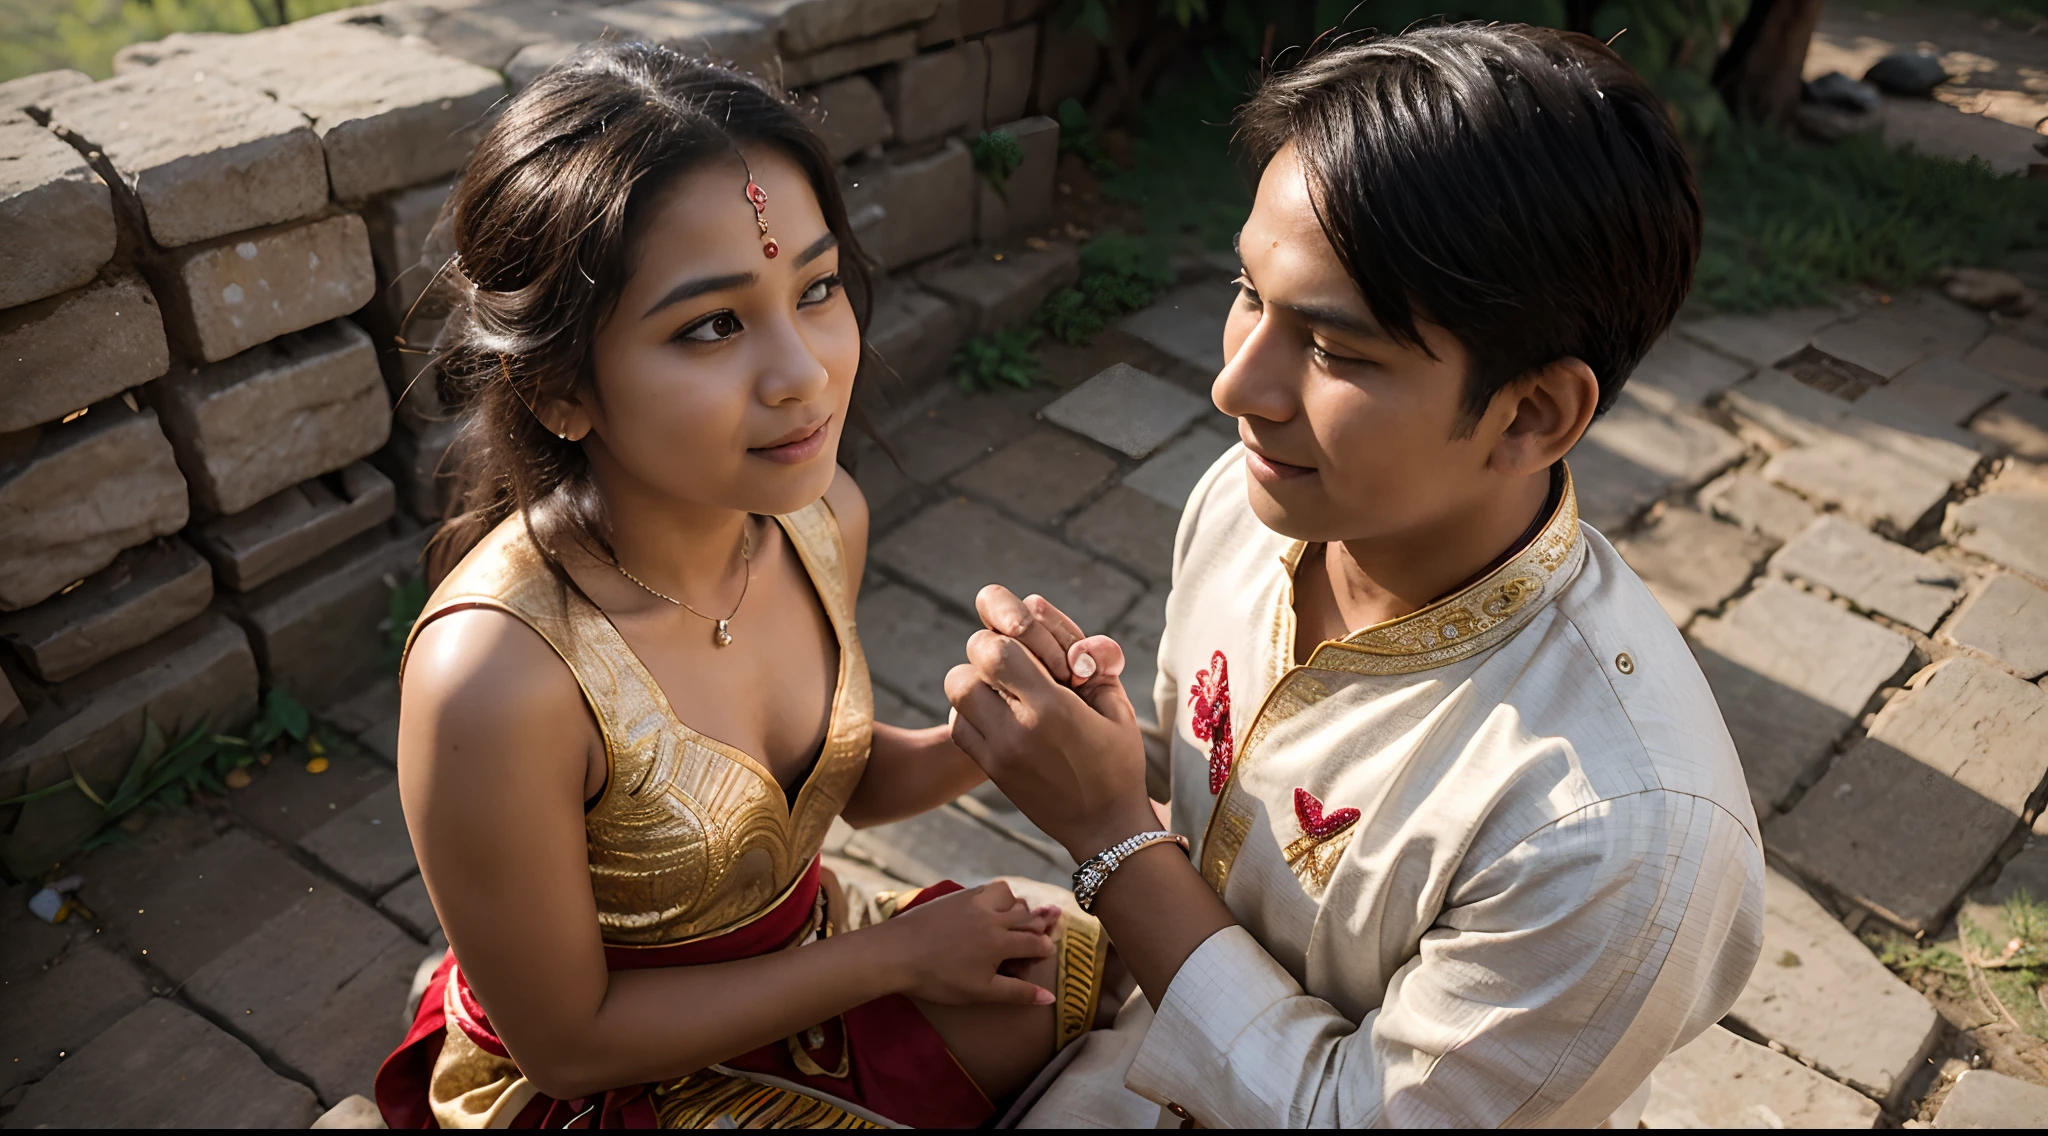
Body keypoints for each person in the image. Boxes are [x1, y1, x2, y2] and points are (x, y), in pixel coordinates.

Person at [944, 23, 1766, 1128]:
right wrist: (1095, 754)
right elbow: (1219, 819)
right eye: (1247, 293)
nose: (1236, 385)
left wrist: (1107, 834)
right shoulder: (1248, 511)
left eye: (1333, 351)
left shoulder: (1614, 834)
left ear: (1530, 413)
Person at [373, 44, 1107, 1129]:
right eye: (711, 324)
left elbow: (834, 784)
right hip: (601, 1073)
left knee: (1103, 954)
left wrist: (993, 731)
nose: (802, 372)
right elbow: (568, 1042)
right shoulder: (493, 677)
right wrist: (893, 954)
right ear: (561, 389)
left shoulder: (817, 520)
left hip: (811, 962)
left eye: (813, 288)